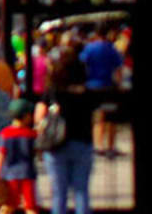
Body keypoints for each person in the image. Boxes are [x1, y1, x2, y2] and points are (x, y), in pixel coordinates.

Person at [41, 48, 95, 214]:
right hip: (83, 142)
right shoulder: (87, 94)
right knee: (81, 191)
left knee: (59, 193)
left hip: (56, 143)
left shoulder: (53, 93)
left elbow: (40, 115)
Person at [79, 26, 123, 158]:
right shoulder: (112, 49)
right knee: (111, 117)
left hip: (92, 86)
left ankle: (98, 146)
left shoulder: (89, 48)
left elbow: (82, 64)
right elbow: (118, 69)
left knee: (97, 117)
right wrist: (119, 84)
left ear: (96, 34)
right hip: (108, 86)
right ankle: (110, 146)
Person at [0, 98, 38, 214]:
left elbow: (0, 155)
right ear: (26, 116)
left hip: (10, 175)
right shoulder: (32, 134)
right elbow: (38, 151)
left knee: (9, 205)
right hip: (28, 174)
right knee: (30, 206)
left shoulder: (5, 133)